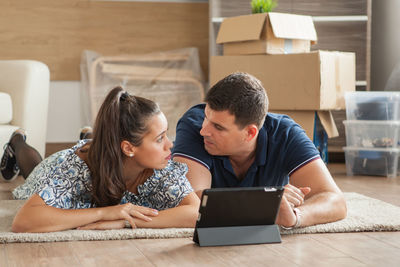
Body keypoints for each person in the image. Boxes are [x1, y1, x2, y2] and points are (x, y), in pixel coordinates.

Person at [1, 86, 199, 233]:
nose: (170, 145)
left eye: (166, 135)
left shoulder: (161, 166)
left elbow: (196, 212)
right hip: (68, 161)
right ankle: (17, 142)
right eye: (159, 139)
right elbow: (24, 221)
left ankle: (91, 136)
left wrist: (125, 221)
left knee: (104, 149)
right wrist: (106, 213)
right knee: (35, 173)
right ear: (129, 148)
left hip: (109, 153)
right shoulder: (74, 169)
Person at [172, 72, 347, 229]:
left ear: (250, 133)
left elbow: (335, 200)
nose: (204, 130)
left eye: (218, 127)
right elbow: (193, 201)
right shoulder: (192, 126)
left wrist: (295, 217)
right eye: (206, 117)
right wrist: (267, 201)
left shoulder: (286, 133)